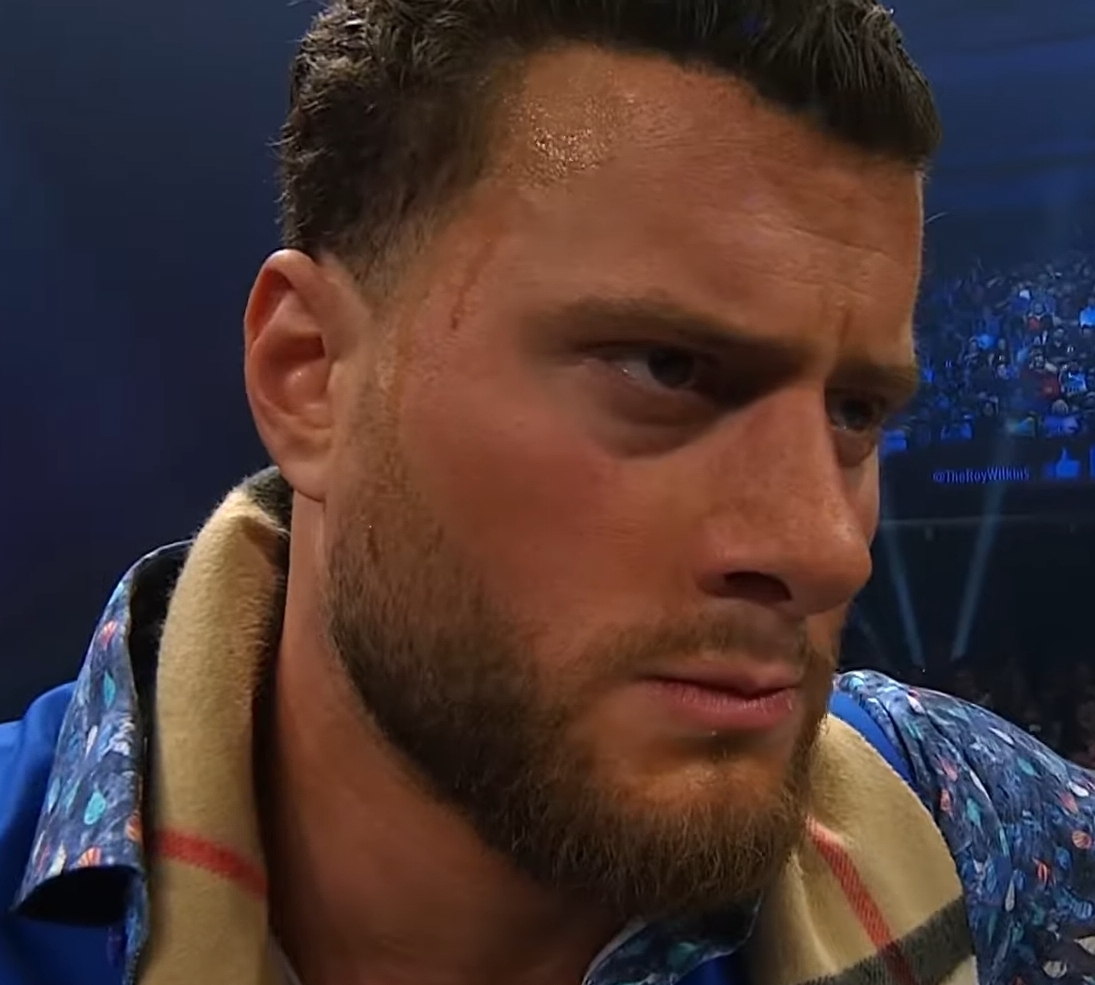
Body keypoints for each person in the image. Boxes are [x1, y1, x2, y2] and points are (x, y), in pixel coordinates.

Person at [2, 2, 1094, 985]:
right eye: (666, 368)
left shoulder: (959, 813)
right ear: (312, 374)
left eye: (854, 410)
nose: (827, 548)